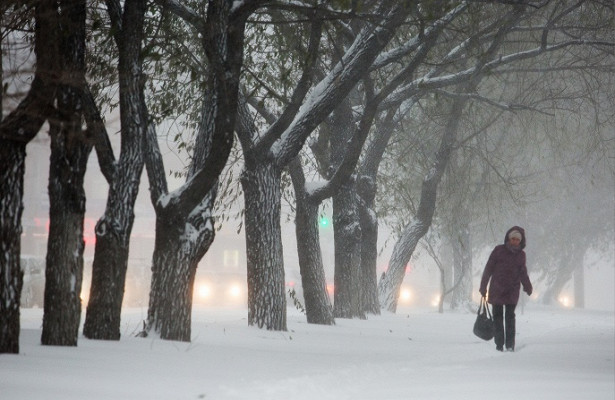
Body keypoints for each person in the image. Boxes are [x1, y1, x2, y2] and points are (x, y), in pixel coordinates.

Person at [479, 226, 533, 352]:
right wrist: (483, 286)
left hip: (512, 290)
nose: (515, 241)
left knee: (510, 318)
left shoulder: (521, 255)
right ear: (508, 238)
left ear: (520, 241)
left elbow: (523, 272)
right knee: (497, 318)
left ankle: (510, 345)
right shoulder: (498, 250)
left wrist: (527, 286)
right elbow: (489, 268)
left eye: (517, 240)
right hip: (497, 289)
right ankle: (499, 345)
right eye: (513, 238)